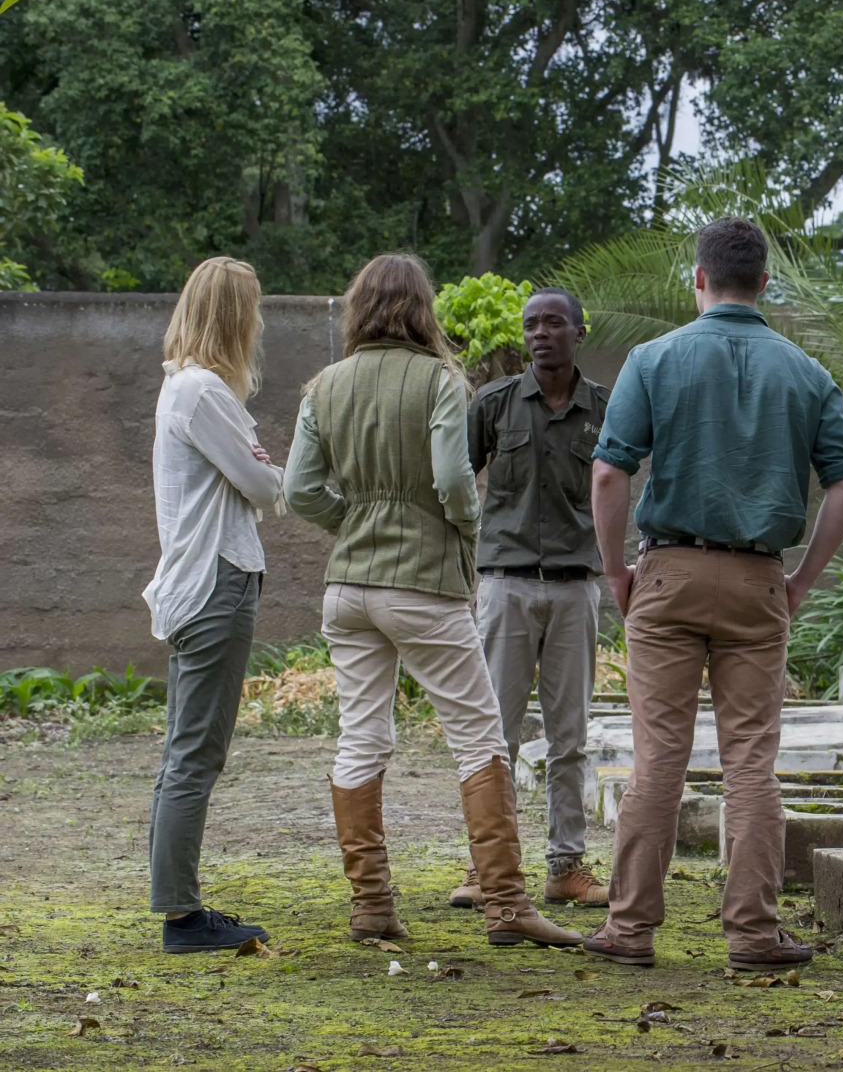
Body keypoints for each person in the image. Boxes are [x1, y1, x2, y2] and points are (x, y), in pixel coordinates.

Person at [585, 217, 843, 970]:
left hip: (668, 573)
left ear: (698, 279)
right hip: (756, 580)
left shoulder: (653, 359)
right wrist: (801, 578)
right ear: (765, 284)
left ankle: (630, 929)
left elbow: (611, 471)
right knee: (750, 764)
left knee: (657, 762)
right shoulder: (806, 372)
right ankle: (752, 933)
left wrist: (617, 571)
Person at [283, 253, 580, 949]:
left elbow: (299, 489)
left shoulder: (324, 384)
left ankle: (372, 905)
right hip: (421, 583)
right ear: (423, 309)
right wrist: (464, 528)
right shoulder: (441, 379)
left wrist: (350, 522)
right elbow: (453, 477)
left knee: (362, 735)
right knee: (478, 736)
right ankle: (507, 907)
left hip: (347, 587)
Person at [447, 289, 612, 913]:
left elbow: (619, 488)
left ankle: (566, 867)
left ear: (578, 331)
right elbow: (455, 483)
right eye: (531, 325)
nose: (541, 333)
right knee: (495, 734)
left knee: (570, 736)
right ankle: (485, 864)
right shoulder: (493, 405)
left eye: (553, 322)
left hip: (575, 587)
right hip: (506, 586)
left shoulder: (605, 410)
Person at [143, 256, 284, 953]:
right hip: (215, 585)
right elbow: (260, 485)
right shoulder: (202, 393)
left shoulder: (185, 388)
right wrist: (301, 478)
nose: (256, 324)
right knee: (195, 754)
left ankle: (179, 905)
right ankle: (180, 915)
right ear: (234, 315)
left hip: (202, 584)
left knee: (187, 751)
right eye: (250, 309)